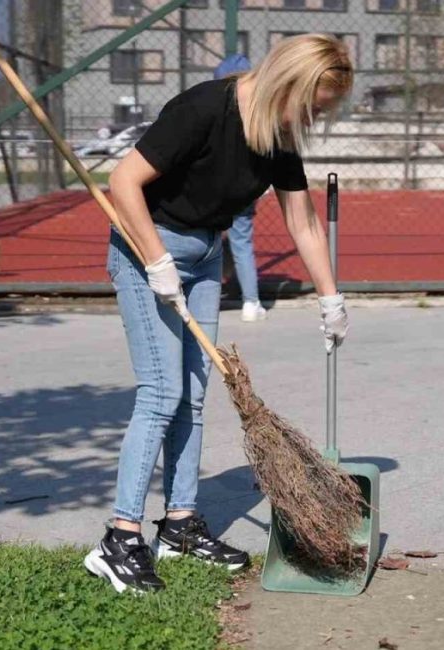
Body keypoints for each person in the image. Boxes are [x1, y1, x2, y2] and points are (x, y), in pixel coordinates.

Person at [84, 34, 352, 594]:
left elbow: (302, 223)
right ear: (291, 84)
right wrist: (155, 261)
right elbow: (122, 181)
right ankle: (119, 539)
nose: (309, 118)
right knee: (161, 392)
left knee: (194, 393)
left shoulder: (278, 134)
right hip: (146, 248)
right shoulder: (204, 108)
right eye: (312, 106)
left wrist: (331, 297)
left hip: (206, 255)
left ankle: (179, 525)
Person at [213, 54, 266, 322]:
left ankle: (206, 299)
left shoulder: (210, 111)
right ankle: (250, 302)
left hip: (211, 189)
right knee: (242, 243)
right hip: (243, 189)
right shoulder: (258, 116)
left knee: (205, 241)